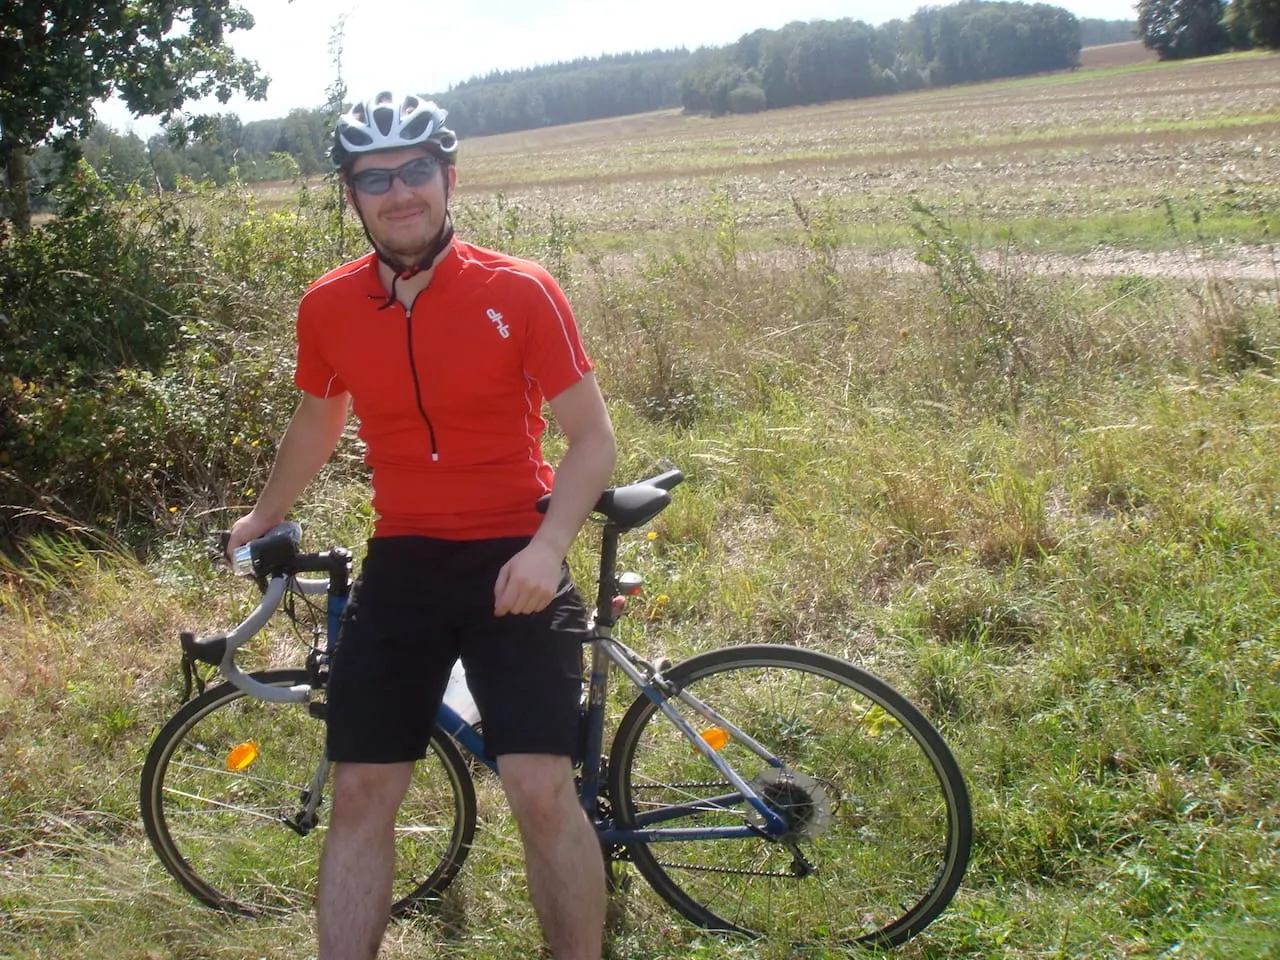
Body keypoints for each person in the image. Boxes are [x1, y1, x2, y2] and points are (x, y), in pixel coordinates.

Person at [226, 90, 617, 960]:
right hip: (402, 561)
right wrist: (266, 512)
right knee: (362, 787)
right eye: (375, 179)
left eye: (415, 172)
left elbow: (592, 442)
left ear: (448, 178)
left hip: (514, 553)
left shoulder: (519, 290)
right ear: (353, 195)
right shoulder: (327, 305)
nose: (399, 193)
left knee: (539, 786)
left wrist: (548, 551)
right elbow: (316, 419)